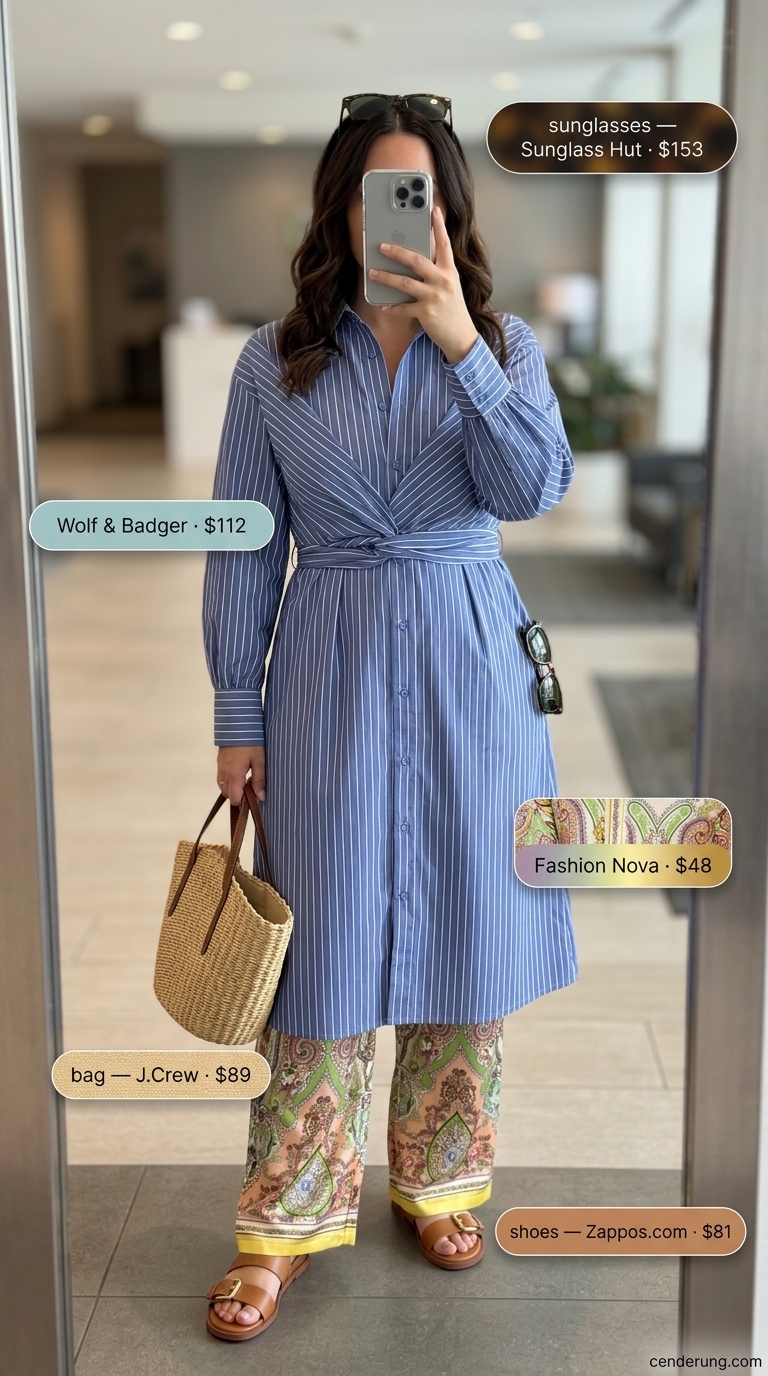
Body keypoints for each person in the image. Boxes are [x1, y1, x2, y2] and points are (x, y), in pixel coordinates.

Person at [202, 92, 578, 1341]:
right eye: (380, 195)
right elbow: (244, 543)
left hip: (473, 673)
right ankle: (284, 1219)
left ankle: (442, 1180)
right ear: (345, 209)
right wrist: (238, 709)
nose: (400, 219)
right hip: (331, 671)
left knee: (465, 928)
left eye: (421, 195)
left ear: (450, 212)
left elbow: (532, 486)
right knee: (317, 949)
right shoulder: (275, 360)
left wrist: (462, 343)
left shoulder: (505, 345)